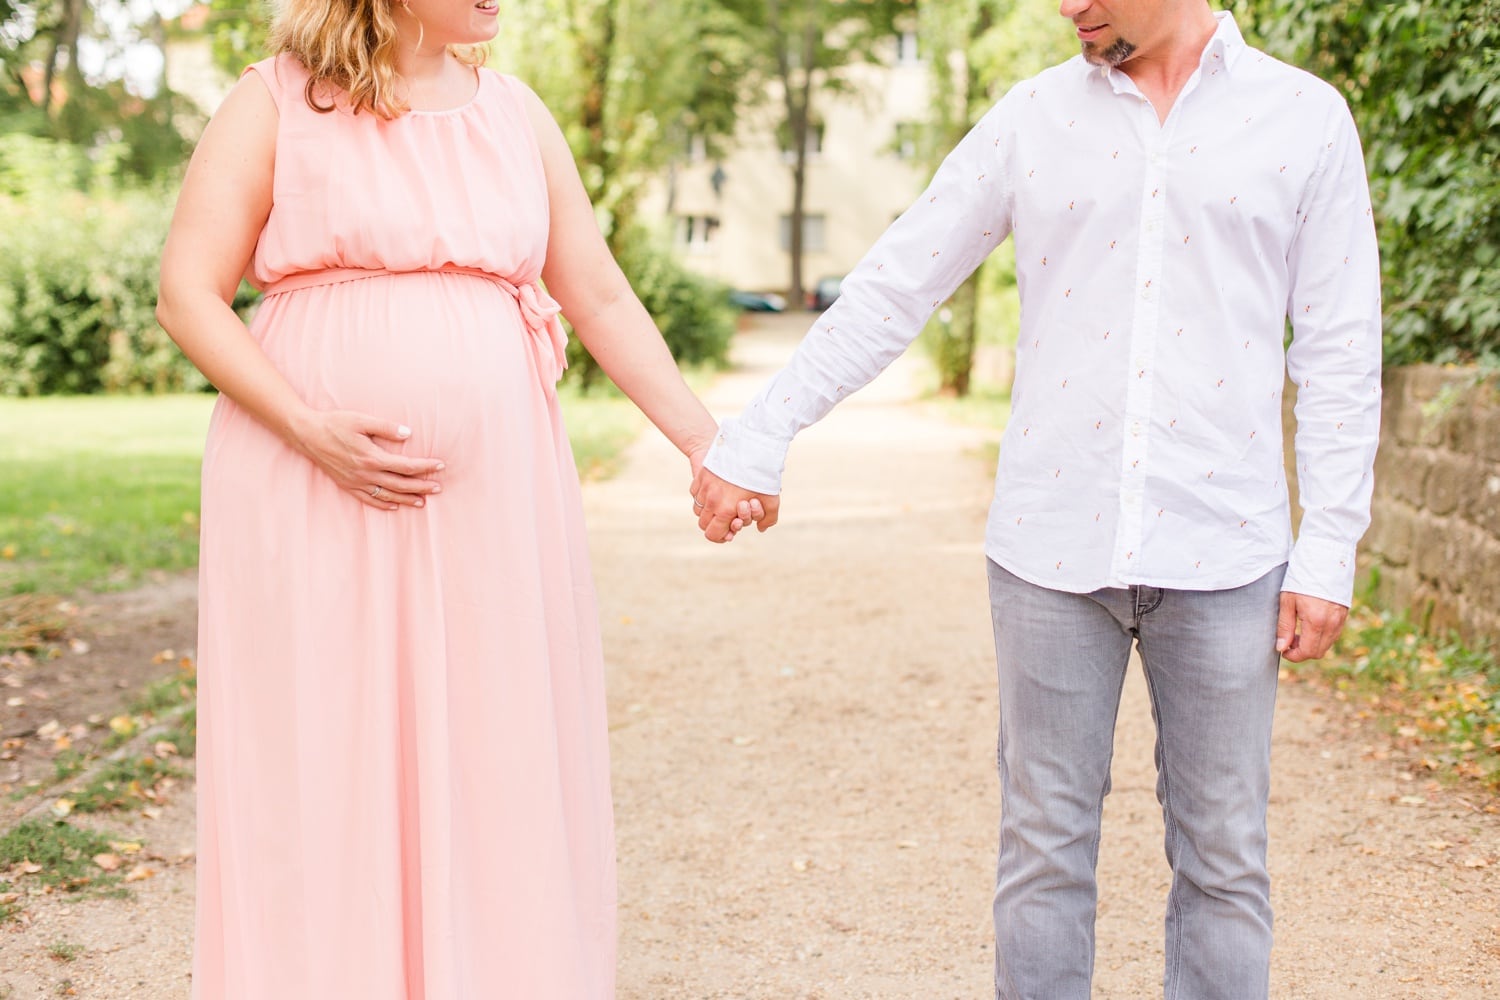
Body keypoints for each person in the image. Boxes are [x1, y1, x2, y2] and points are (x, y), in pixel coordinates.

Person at [690, 2, 1381, 997]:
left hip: (1227, 548)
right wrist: (762, 431)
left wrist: (1330, 547)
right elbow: (896, 285)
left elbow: (1340, 348)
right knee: (1044, 855)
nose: (1067, 5)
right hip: (1048, 551)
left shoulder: (1305, 119)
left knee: (1226, 862)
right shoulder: (1031, 118)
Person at [156, 0, 759, 994]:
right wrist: (312, 428)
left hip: (497, 498)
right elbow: (188, 291)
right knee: (328, 748)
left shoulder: (517, 115)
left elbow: (598, 292)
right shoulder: (269, 104)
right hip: (307, 479)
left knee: (495, 744)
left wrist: (708, 445)